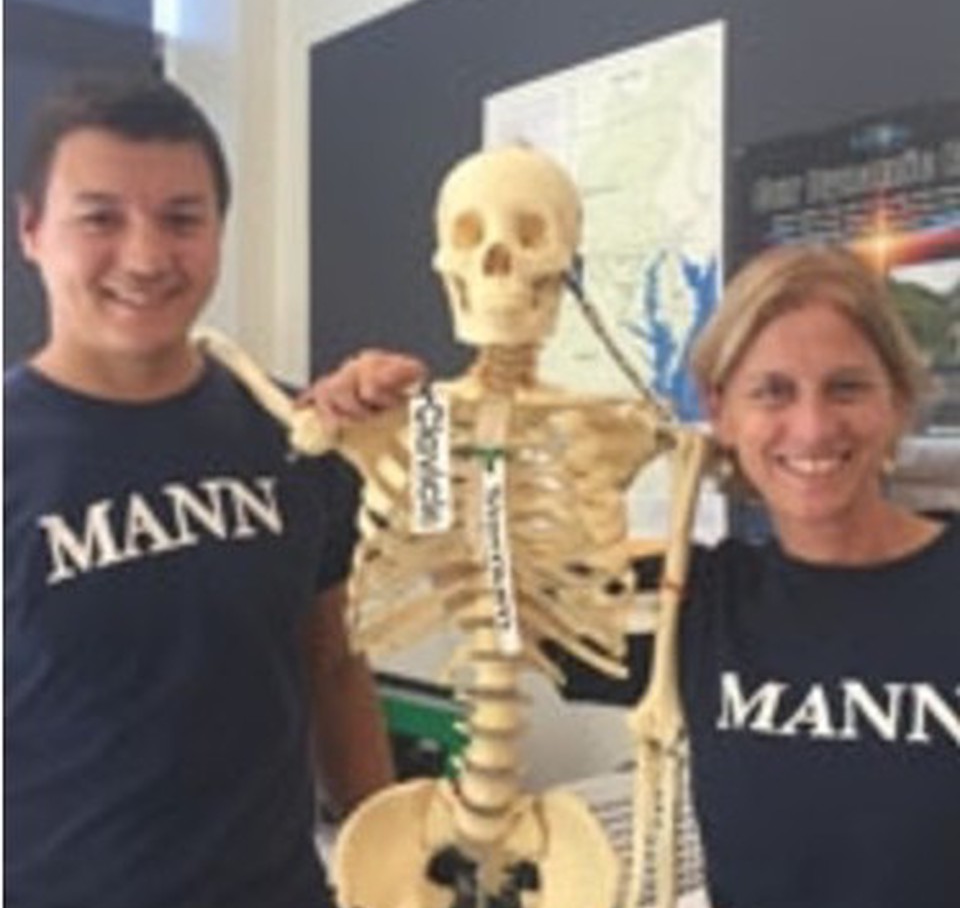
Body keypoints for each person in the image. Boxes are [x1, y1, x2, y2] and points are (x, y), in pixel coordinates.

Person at [311, 243, 960, 908]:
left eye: (846, 387)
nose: (813, 426)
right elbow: (499, 592)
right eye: (772, 391)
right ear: (721, 412)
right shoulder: (696, 598)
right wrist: (393, 436)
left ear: (899, 401)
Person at [3, 73, 418, 908]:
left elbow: (334, 667)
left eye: (182, 219)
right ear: (31, 230)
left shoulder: (296, 434)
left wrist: (392, 867)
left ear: (219, 231)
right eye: (100, 218)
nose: (147, 257)